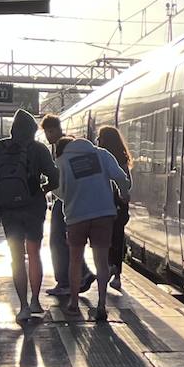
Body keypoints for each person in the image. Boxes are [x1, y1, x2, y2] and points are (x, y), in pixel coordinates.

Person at [0, 109, 59, 322]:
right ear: (32, 130)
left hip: (9, 210)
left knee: (17, 257)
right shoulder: (39, 149)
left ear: (12, 130)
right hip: (34, 208)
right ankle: (36, 300)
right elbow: (55, 178)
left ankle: (23, 306)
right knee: (34, 254)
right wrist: (43, 189)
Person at [57, 134, 131, 321]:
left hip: (76, 216)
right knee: (101, 260)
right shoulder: (102, 154)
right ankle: (101, 304)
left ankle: (73, 303)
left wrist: (69, 199)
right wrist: (124, 193)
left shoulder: (64, 160)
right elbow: (121, 176)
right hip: (103, 214)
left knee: (75, 259)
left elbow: (58, 189)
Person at [40, 114, 93, 298]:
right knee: (67, 241)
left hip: (65, 199)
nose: (48, 135)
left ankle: (65, 281)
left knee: (58, 240)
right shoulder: (61, 145)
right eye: (46, 132)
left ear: (57, 129)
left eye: (50, 131)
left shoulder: (64, 146)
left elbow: (62, 176)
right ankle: (83, 274)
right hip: (67, 198)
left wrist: (48, 186)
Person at [96, 125, 133, 291]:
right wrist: (123, 193)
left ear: (105, 140)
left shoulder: (101, 157)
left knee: (106, 239)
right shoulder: (123, 160)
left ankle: (109, 269)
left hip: (105, 205)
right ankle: (116, 274)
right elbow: (127, 182)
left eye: (100, 137)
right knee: (117, 239)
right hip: (120, 206)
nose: (97, 140)